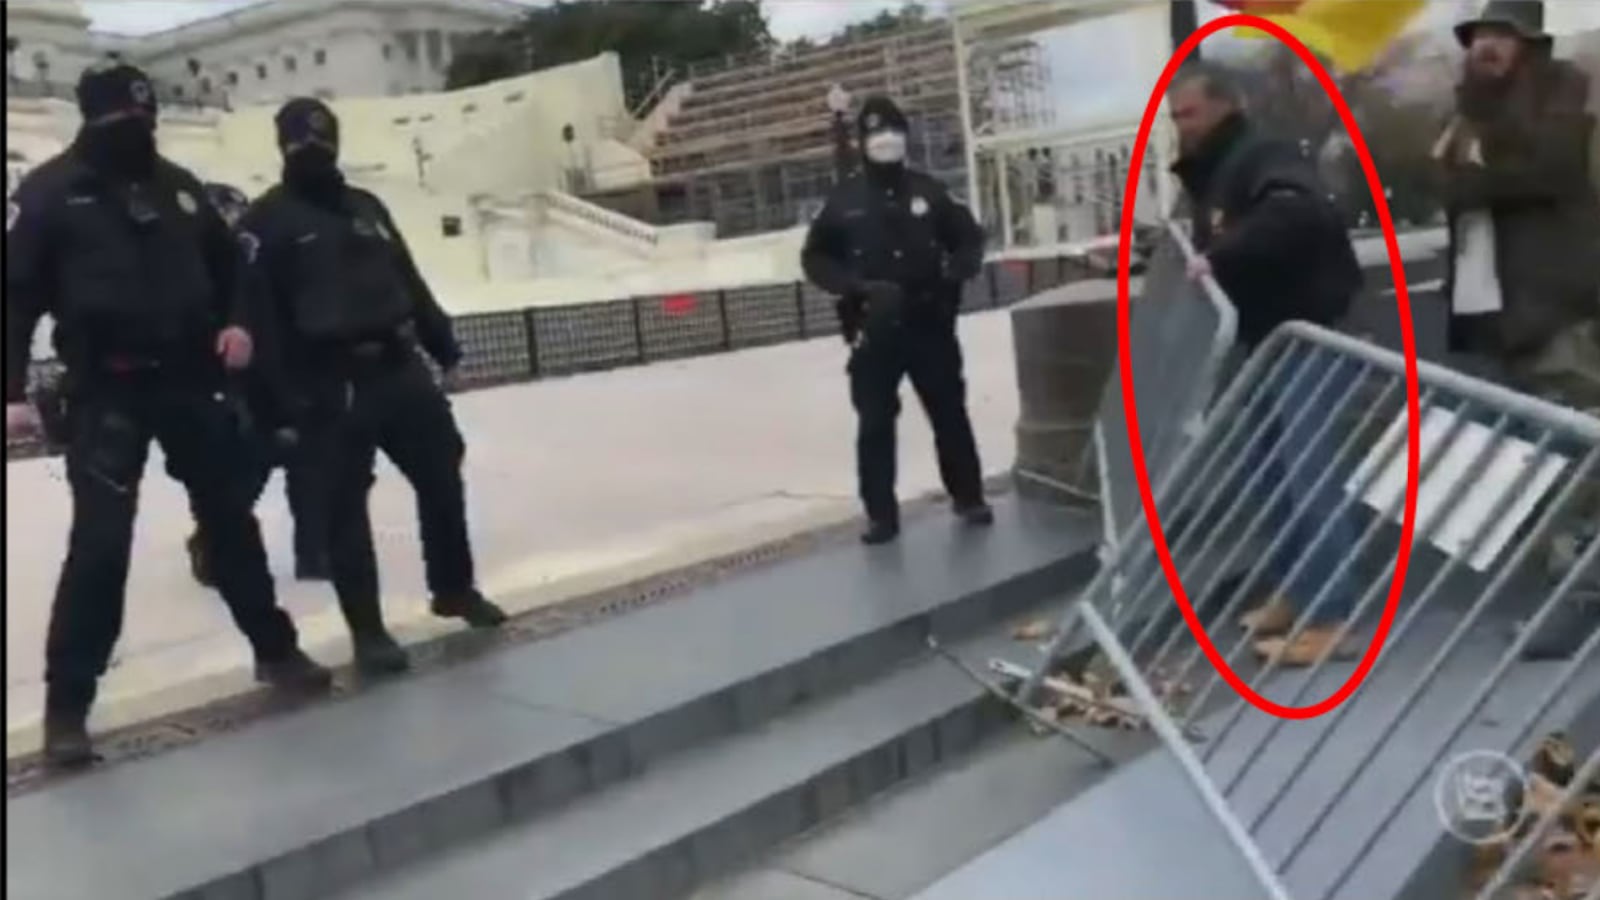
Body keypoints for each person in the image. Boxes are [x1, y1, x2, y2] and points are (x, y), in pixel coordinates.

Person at [3, 63, 332, 769]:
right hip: (105, 391)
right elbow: (15, 297)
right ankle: (67, 709)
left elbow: (233, 270)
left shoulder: (178, 188)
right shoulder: (49, 194)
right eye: (126, 121)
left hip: (190, 383)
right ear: (93, 120)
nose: (141, 131)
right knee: (100, 548)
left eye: (147, 119)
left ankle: (275, 652)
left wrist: (238, 324)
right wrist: (8, 394)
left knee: (230, 526)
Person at [238, 98, 506, 676]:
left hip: (397, 364)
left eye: (320, 140)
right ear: (282, 146)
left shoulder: (368, 207)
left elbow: (409, 280)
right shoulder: (265, 223)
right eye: (300, 142)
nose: (312, 151)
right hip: (325, 379)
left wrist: (446, 351)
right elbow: (259, 320)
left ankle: (454, 588)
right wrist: (277, 403)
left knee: (441, 471)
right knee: (343, 509)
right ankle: (368, 631)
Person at [1167, 61, 1364, 667]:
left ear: (1225, 106)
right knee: (1269, 475)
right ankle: (1296, 590)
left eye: (1190, 113)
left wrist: (1220, 254)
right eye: (1175, 117)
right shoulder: (1215, 173)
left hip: (1305, 335)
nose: (1181, 127)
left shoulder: (1263, 156)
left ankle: (1332, 614)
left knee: (1309, 475)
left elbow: (1297, 214)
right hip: (1264, 339)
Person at [1434, 1, 1600, 661]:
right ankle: (1567, 595)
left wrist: (1476, 170)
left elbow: (1553, 167)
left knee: (1578, 452)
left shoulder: (1561, 87)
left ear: (1530, 43)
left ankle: (1576, 602)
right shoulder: (1469, 108)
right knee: (1546, 462)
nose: (1486, 48)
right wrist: (1468, 167)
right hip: (1493, 315)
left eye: (1500, 37)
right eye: (1478, 38)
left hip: (1554, 307)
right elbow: (1446, 185)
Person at [802, 95, 993, 545]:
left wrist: (954, 273)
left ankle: (969, 497)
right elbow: (816, 257)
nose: (885, 140)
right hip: (875, 327)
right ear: (864, 140)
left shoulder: (930, 192)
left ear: (904, 136)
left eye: (892, 131)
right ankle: (881, 516)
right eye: (876, 133)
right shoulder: (844, 200)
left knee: (949, 413)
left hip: (930, 322)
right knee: (874, 425)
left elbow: (969, 239)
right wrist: (852, 287)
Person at [186, 181, 330, 588]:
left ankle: (314, 554)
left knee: (307, 465)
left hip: (280, 376)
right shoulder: (199, 275)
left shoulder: (261, 266)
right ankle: (213, 548)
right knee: (241, 475)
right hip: (230, 387)